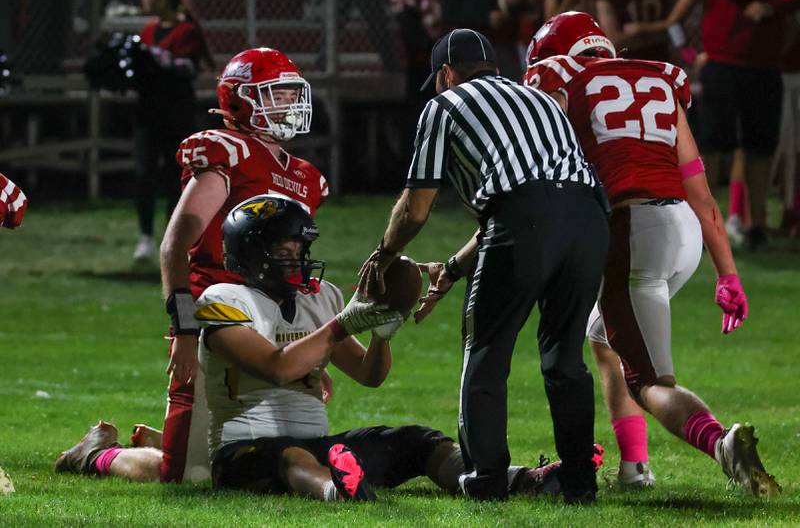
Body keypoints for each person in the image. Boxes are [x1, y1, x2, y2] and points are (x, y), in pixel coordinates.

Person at [55, 195, 564, 501]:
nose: (298, 260)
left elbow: (368, 375)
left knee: (418, 439)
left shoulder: (321, 300)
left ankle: (513, 480)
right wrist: (345, 324)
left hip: (324, 447)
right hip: (242, 451)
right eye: (284, 249)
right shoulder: (222, 299)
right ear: (251, 254)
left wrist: (383, 331)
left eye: (302, 249)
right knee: (293, 454)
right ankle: (332, 490)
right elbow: (277, 368)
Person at [523, 11, 780, 496]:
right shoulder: (659, 80)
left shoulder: (563, 84)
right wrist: (728, 276)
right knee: (604, 339)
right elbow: (701, 194)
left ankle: (722, 443)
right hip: (682, 229)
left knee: (649, 381)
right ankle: (634, 469)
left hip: (632, 233)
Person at [357, 28, 609, 503]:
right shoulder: (539, 101)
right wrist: (452, 269)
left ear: (447, 73)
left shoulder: (446, 104)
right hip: (590, 219)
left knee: (487, 354)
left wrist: (385, 252)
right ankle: (579, 481)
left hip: (524, 220)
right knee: (564, 359)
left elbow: (417, 207)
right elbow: (535, 196)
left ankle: (487, 479)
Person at [158, 47, 330, 483]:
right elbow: (176, 246)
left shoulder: (306, 176)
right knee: (185, 475)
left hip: (275, 326)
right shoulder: (227, 152)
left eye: (292, 94)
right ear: (240, 99)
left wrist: (315, 358)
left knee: (263, 466)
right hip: (219, 318)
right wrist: (183, 329)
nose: (288, 104)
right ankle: (101, 456)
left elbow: (296, 267)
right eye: (276, 94)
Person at [699, 0, 800, 250]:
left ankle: (756, 224)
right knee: (711, 146)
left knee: (760, 147)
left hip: (765, 61)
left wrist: (771, 5)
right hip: (722, 54)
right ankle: (704, 225)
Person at [133, 0, 213, 261]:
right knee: (143, 173)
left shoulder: (186, 31)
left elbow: (187, 68)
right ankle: (145, 236)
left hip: (177, 114)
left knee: (174, 177)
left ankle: (173, 238)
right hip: (148, 114)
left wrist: (156, 61)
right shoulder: (146, 31)